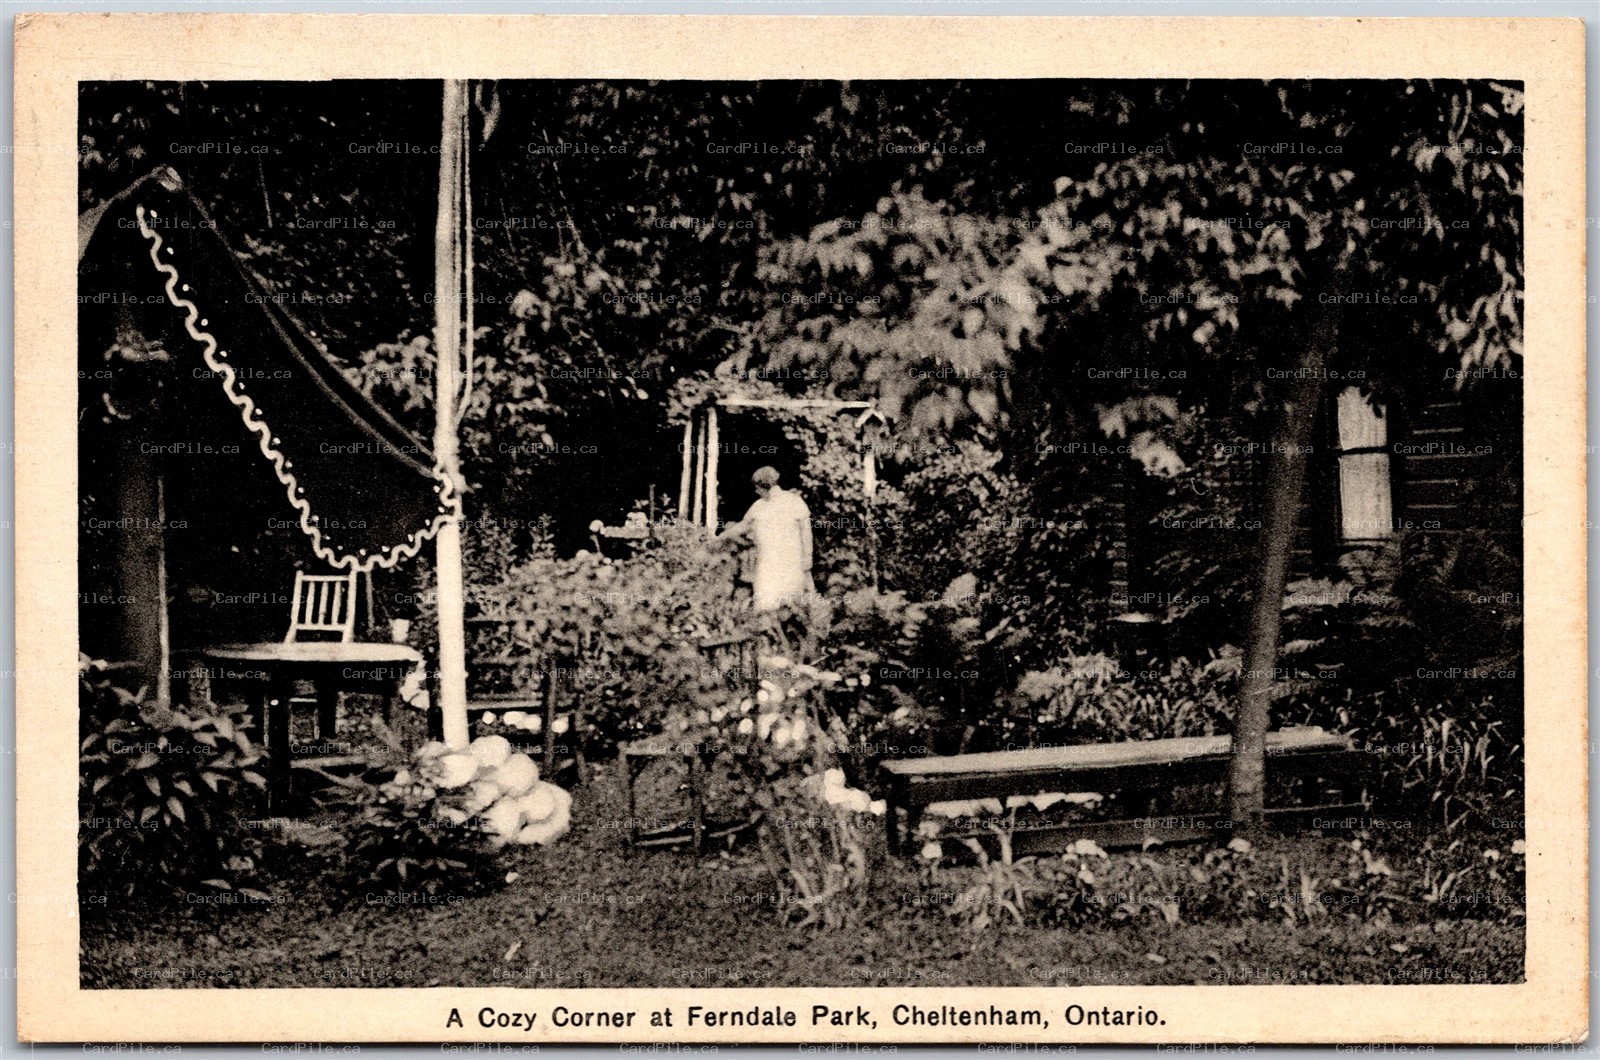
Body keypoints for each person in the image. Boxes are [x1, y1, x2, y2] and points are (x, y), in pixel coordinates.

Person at [718, 466, 814, 612]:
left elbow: (806, 531)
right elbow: (742, 526)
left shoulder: (792, 502)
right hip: (769, 564)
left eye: (757, 487)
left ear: (763, 487)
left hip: (790, 562)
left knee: (790, 605)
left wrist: (807, 557)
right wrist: (720, 536)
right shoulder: (760, 506)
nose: (756, 491)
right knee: (768, 605)